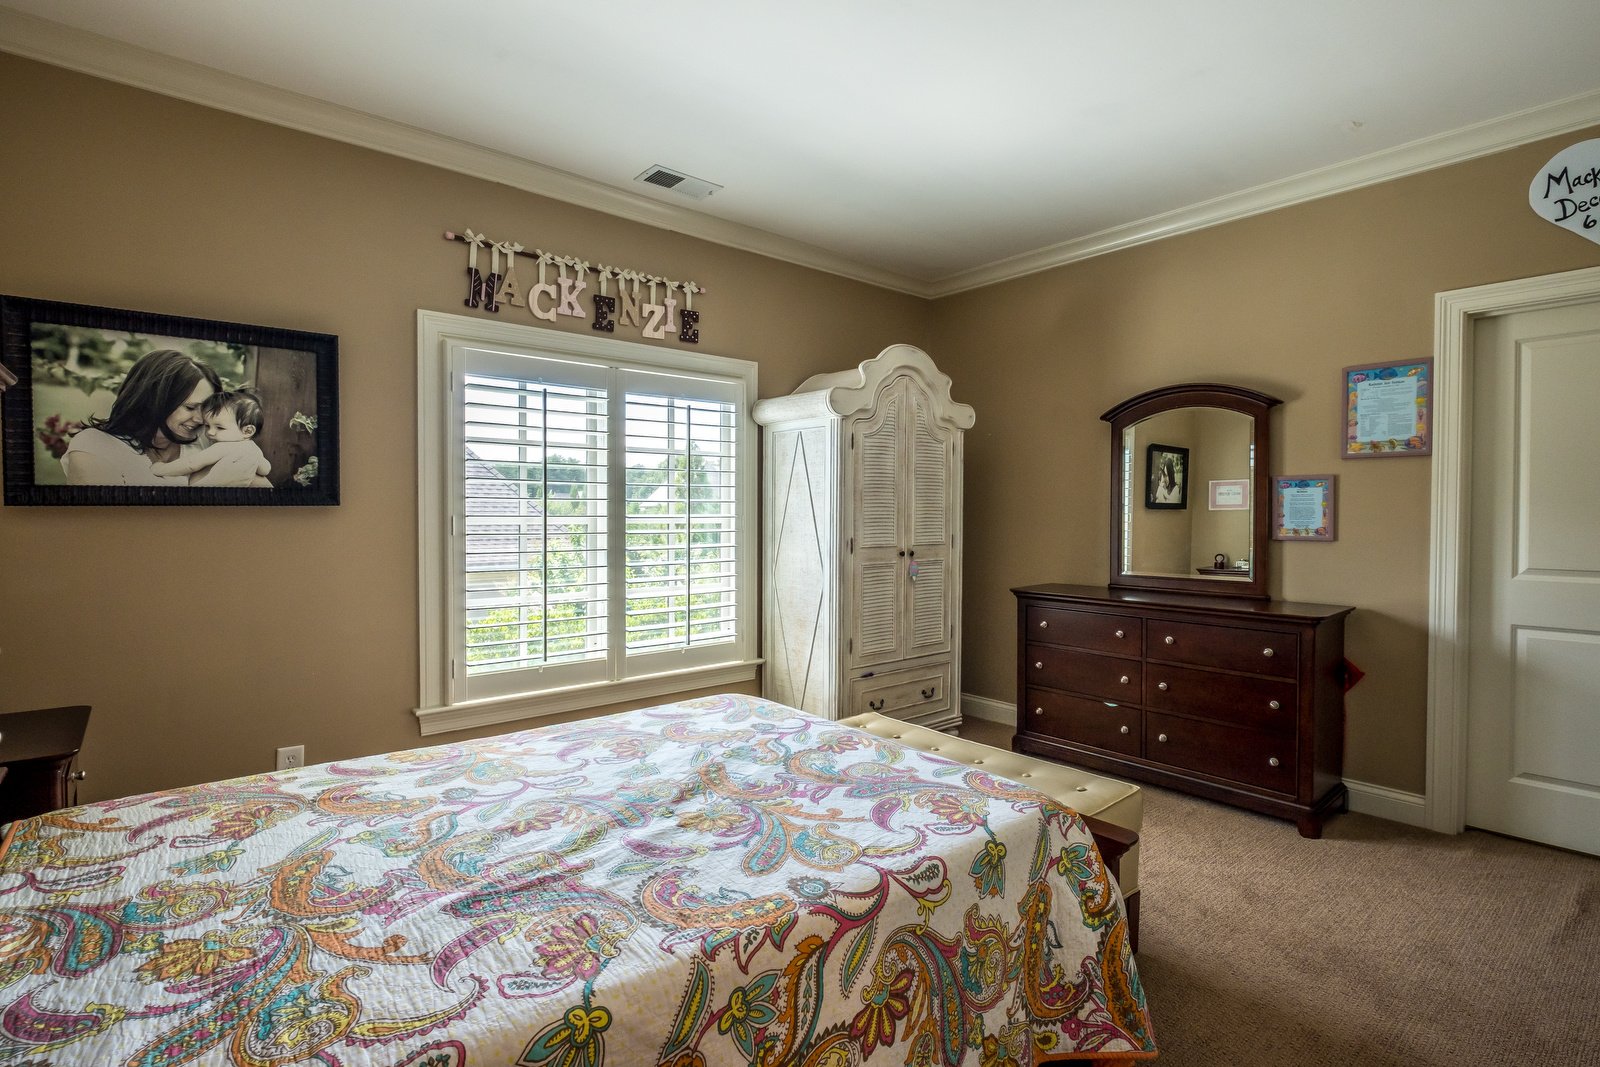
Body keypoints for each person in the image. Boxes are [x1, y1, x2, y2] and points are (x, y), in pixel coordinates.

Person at [61, 349, 221, 486]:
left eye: (207, 409)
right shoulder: (95, 445)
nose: (201, 419)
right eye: (190, 407)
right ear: (154, 398)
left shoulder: (205, 444)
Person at [150, 390, 272, 488]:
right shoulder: (254, 450)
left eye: (219, 427)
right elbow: (265, 469)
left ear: (247, 431)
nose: (210, 432)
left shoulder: (222, 447)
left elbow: (191, 464)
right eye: (207, 425)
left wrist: (162, 469)